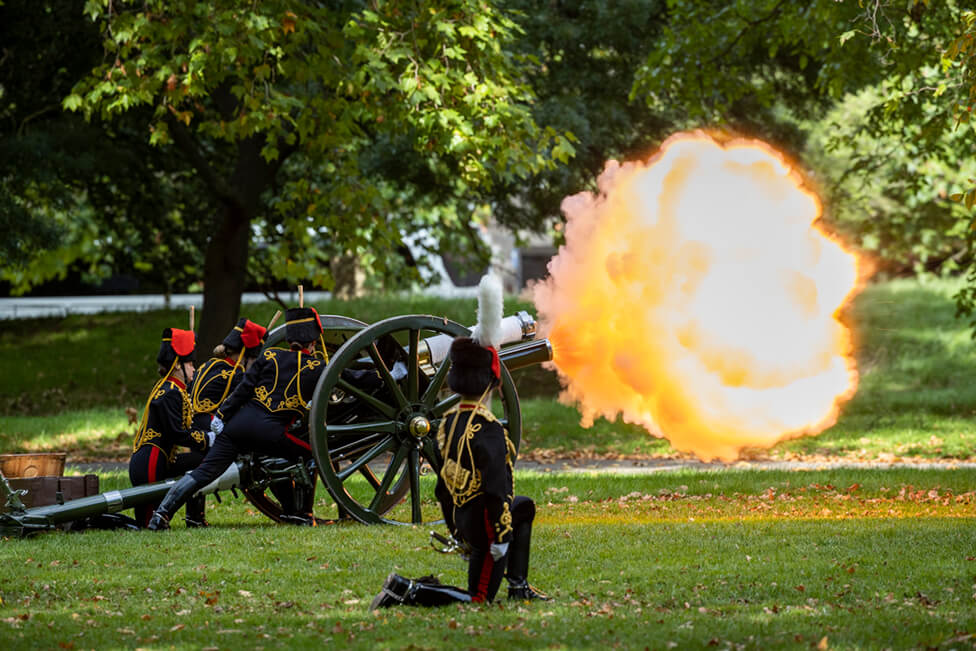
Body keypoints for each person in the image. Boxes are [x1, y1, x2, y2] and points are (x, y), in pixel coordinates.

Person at [370, 274, 549, 609]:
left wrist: (455, 529)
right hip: (486, 526)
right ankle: (408, 590)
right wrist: (501, 537)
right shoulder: (491, 429)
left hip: (464, 519)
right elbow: (497, 492)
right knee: (478, 598)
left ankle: (519, 585)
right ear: (491, 383)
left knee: (524, 506)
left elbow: (442, 487)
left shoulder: (446, 425)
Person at [146, 306, 326, 531]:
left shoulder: (270, 355)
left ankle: (161, 515)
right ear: (313, 342)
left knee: (203, 472)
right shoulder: (318, 367)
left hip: (234, 427)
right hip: (270, 432)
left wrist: (221, 416)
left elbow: (244, 389)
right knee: (311, 454)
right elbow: (346, 377)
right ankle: (303, 515)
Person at [129, 327, 210, 528]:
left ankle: (195, 516)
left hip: (160, 460)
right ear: (177, 366)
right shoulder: (171, 392)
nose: (193, 369)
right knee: (148, 526)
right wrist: (208, 439)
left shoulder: (172, 388)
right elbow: (177, 434)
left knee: (201, 462)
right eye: (190, 364)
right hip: (150, 463)